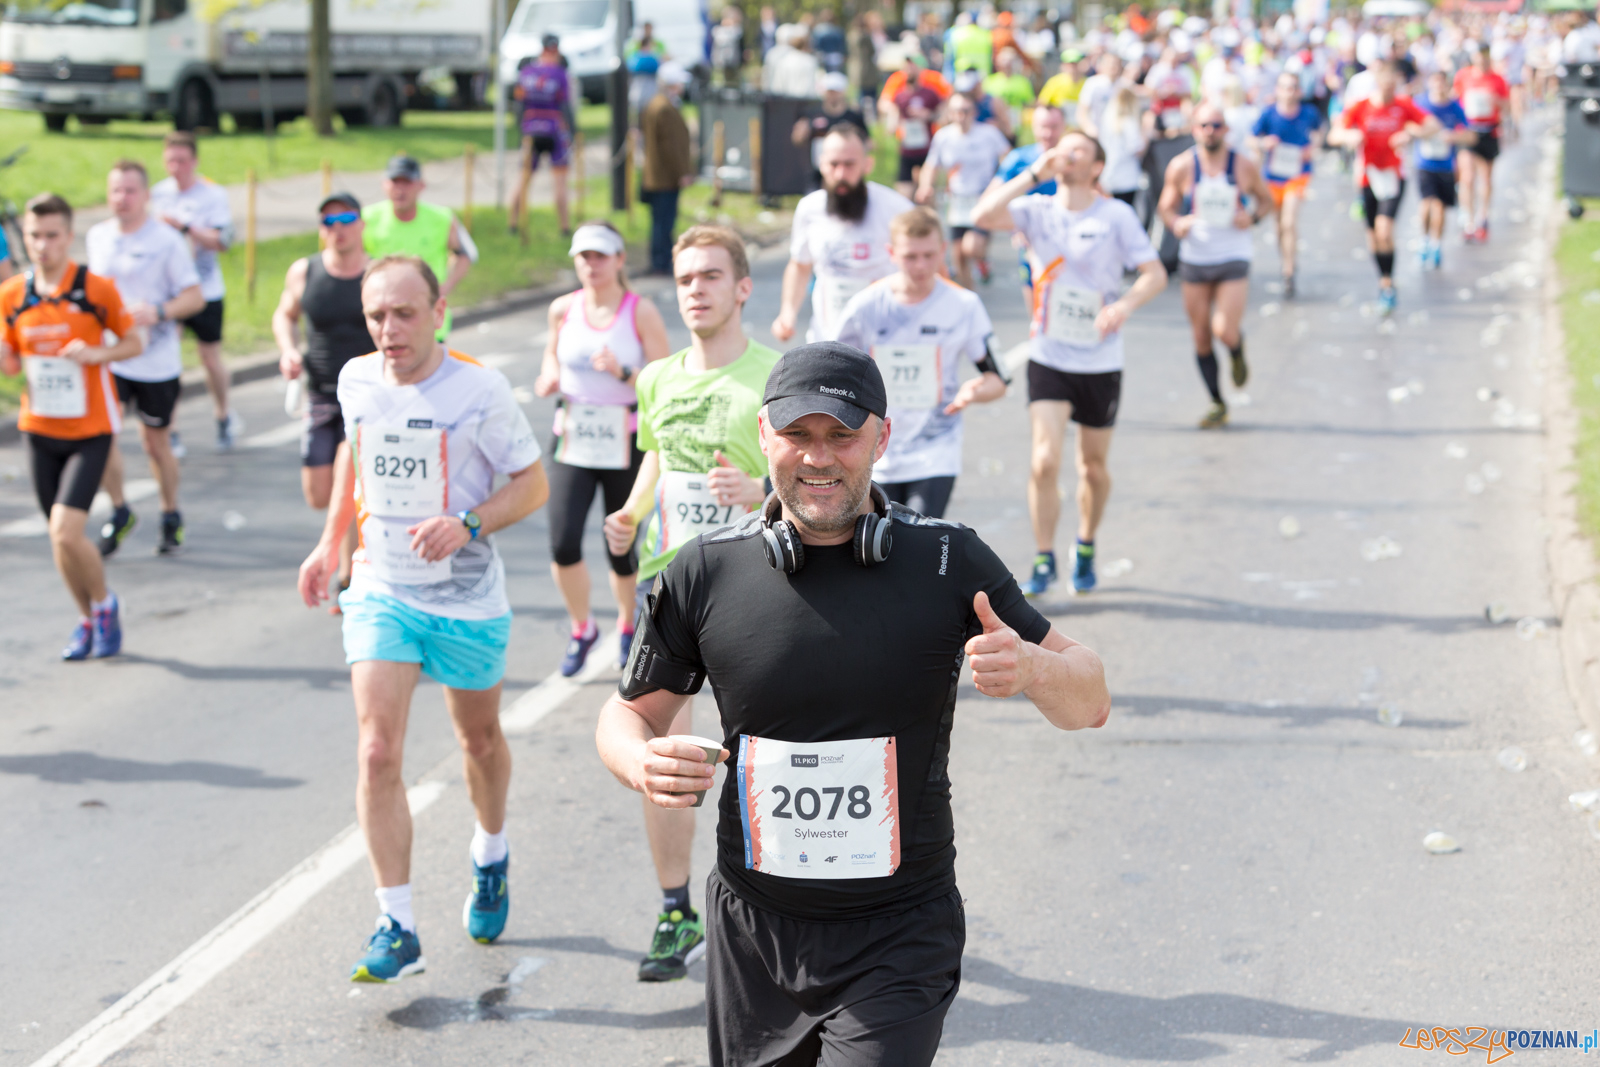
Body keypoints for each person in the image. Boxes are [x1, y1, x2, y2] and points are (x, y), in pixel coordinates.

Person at [594, 340, 1110, 1067]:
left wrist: (1029, 666)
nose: (819, 457)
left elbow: (1090, 697)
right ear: (765, 436)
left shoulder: (946, 560)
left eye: (843, 434)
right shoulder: (706, 570)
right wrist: (640, 760)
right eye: (798, 435)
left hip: (899, 934)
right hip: (754, 937)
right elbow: (625, 714)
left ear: (882, 437)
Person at [296, 254, 549, 982]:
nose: (389, 329)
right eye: (377, 314)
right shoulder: (356, 380)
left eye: (405, 312)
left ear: (439, 310)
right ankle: (397, 922)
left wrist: (468, 522)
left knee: (478, 739)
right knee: (377, 751)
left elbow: (531, 484)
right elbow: (356, 451)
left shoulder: (479, 389)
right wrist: (330, 540)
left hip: (466, 595)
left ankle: (491, 851)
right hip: (383, 587)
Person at [600, 226, 780, 983]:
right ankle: (676, 909)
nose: (696, 288)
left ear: (743, 288)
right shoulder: (659, 378)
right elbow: (659, 456)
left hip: (755, 581)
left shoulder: (774, 377)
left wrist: (761, 492)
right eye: (684, 277)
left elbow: (815, 479)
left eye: (711, 275)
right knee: (665, 747)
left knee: (767, 743)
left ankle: (780, 900)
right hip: (670, 581)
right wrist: (634, 512)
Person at [973, 131, 1167, 597]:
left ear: (1097, 166)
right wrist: (1035, 172)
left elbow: (1154, 273)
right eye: (1063, 147)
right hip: (1049, 353)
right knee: (1044, 460)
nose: (1068, 153)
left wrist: (1123, 306)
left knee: (1092, 468)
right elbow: (980, 215)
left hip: (1100, 358)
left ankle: (1085, 544)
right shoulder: (1036, 210)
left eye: (1079, 149)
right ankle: (1044, 556)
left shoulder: (1115, 215)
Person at [1, 193, 141, 659]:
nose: (43, 246)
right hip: (39, 428)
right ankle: (87, 617)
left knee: (65, 531)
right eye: (34, 236)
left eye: (53, 235)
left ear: (69, 235)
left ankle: (105, 603)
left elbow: (133, 342)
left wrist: (97, 354)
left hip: (90, 431)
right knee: (59, 537)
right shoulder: (12, 296)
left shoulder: (95, 289)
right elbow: (10, 363)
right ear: (25, 236)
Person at [533, 222, 671, 675]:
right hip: (573, 435)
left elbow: (663, 380)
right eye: (583, 257)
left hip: (624, 437)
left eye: (600, 256)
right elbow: (552, 355)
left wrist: (623, 371)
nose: (591, 265)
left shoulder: (639, 312)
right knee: (562, 540)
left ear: (617, 260)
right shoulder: (562, 309)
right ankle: (581, 628)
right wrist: (548, 375)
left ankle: (628, 625)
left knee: (620, 541)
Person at [834, 206, 1006, 518]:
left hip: (936, 447)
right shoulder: (866, 306)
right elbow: (833, 371)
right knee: (875, 544)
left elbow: (997, 380)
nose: (921, 265)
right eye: (911, 257)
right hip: (875, 448)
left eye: (929, 255)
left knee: (918, 537)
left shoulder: (963, 305)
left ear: (943, 250)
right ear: (891, 253)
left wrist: (974, 392)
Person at [87, 159, 205, 557]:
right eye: (116, 190)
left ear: (146, 195)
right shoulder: (97, 237)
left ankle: (170, 512)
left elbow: (194, 296)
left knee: (155, 444)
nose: (122, 198)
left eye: (130, 190)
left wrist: (159, 311)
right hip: (111, 357)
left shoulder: (166, 240)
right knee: (100, 439)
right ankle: (120, 510)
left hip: (155, 362)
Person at [272, 192, 373, 603]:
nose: (338, 228)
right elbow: (284, 313)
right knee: (319, 494)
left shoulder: (376, 274)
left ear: (362, 224)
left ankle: (351, 576)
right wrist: (288, 349)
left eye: (346, 218)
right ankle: (352, 564)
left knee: (348, 487)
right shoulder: (305, 271)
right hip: (321, 393)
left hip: (366, 399)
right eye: (328, 221)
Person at [1157, 103, 1275, 430]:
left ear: (1226, 129)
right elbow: (1165, 208)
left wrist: (1250, 217)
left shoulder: (1243, 166)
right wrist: (1176, 223)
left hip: (1233, 254)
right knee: (1201, 336)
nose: (1210, 131)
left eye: (1216, 125)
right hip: (1196, 257)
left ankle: (1236, 349)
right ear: (1194, 129)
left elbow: (1266, 201)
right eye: (1204, 125)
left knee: (1223, 329)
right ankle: (1216, 401)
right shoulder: (1182, 167)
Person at [773, 124, 914, 343]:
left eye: (849, 165)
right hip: (828, 339)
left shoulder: (897, 209)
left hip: (883, 340)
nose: (841, 174)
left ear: (867, 164)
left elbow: (924, 266)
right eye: (833, 164)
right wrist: (787, 313)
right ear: (821, 164)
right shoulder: (809, 209)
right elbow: (800, 265)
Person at [150, 130, 239, 449]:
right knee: (167, 356)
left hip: (206, 289)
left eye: (182, 161)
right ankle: (170, 428)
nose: (176, 167)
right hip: (170, 292)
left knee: (209, 358)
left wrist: (185, 228)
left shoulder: (212, 195)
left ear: (195, 161)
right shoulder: (158, 194)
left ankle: (223, 412)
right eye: (171, 160)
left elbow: (224, 241)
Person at [1328, 62, 1438, 316]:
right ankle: (1383, 280)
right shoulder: (1361, 106)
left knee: (1384, 228)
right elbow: (1334, 135)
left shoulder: (1403, 105)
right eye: (1385, 87)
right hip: (1368, 177)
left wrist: (1412, 135)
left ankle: (1388, 284)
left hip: (1394, 175)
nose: (1389, 93)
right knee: (1374, 238)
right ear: (1377, 83)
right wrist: (1349, 137)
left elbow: (1433, 126)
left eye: (1393, 87)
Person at [362, 154, 479, 342]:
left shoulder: (442, 218)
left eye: (407, 182)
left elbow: (467, 254)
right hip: (386, 325)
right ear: (384, 184)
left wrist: (445, 287)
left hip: (429, 323)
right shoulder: (367, 218)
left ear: (421, 185)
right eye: (394, 182)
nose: (400, 189)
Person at [917, 92, 1011, 289]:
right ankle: (969, 296)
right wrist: (926, 186)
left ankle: (982, 260)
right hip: (957, 200)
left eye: (966, 111)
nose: (961, 116)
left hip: (983, 197)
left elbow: (1008, 159)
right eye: (956, 111)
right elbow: (931, 165)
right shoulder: (944, 136)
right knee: (957, 255)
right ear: (950, 113)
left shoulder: (988, 134)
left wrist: (1002, 185)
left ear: (974, 112)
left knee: (973, 246)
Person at [1251, 71, 1324, 296]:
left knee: (1289, 221)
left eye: (1293, 87)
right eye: (1285, 87)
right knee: (1279, 225)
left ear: (1299, 91)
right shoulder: (1269, 114)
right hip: (1274, 175)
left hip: (1298, 174)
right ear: (1277, 90)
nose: (1289, 92)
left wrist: (1312, 148)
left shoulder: (1308, 113)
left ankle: (1289, 270)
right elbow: (1251, 138)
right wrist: (1264, 143)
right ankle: (1286, 260)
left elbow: (1320, 132)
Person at [995, 104, 1066, 308]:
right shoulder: (1018, 159)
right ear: (1033, 127)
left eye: (1054, 126)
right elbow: (992, 198)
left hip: (1067, 240)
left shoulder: (1074, 159)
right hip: (1032, 241)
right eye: (1042, 126)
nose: (1048, 133)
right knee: (1037, 308)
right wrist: (1013, 228)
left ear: (1063, 126)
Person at [509, 35, 575, 241]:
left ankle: (512, 223)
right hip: (554, 129)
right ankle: (564, 227)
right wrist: (572, 132)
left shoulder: (526, 72)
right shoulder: (560, 73)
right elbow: (565, 105)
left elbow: (518, 104)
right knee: (560, 182)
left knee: (523, 178)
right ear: (556, 49)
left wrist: (522, 131)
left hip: (531, 129)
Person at [1413, 69, 1474, 270]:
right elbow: (1408, 126)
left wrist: (1453, 137)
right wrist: (1423, 133)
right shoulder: (1421, 104)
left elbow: (1470, 135)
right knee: (1426, 204)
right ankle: (1423, 240)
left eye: (1442, 83)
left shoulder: (1455, 108)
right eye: (1435, 82)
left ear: (1447, 85)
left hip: (1446, 165)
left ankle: (1436, 245)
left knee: (1439, 207)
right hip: (1424, 163)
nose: (1438, 87)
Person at [640, 64, 695, 277]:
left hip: (659, 174)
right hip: (665, 176)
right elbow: (672, 146)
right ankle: (661, 261)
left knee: (660, 220)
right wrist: (682, 172)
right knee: (664, 221)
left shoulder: (657, 104)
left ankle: (660, 260)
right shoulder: (664, 108)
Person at [1454, 41, 1510, 244]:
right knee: (1467, 177)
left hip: (1489, 130)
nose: (1482, 59)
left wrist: (1495, 100)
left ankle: (1483, 217)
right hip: (1469, 130)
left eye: (1485, 55)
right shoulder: (1463, 75)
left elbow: (1507, 107)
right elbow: (1455, 100)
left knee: (1486, 178)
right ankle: (1468, 219)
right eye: (1479, 55)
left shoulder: (1498, 79)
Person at [879, 53, 952, 199]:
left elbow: (944, 111)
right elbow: (887, 106)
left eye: (913, 65)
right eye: (907, 66)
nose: (909, 69)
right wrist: (893, 120)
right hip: (907, 147)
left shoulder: (931, 91)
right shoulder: (899, 93)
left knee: (927, 193)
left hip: (927, 147)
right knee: (904, 193)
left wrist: (928, 115)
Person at [792, 72, 867, 191]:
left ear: (843, 91)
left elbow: (868, 142)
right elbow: (797, 139)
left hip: (844, 171)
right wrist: (801, 132)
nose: (832, 95)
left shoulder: (854, 116)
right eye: (829, 91)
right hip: (817, 171)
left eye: (836, 91)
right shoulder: (812, 113)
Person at [1098, 85, 1147, 208]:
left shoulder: (1106, 121)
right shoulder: (1129, 122)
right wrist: (1147, 133)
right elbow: (1137, 149)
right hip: (1127, 179)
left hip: (1108, 176)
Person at [627, 22, 669, 119]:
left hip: (651, 83)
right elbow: (631, 62)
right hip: (639, 84)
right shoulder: (634, 44)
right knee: (639, 109)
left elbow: (665, 58)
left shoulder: (658, 44)